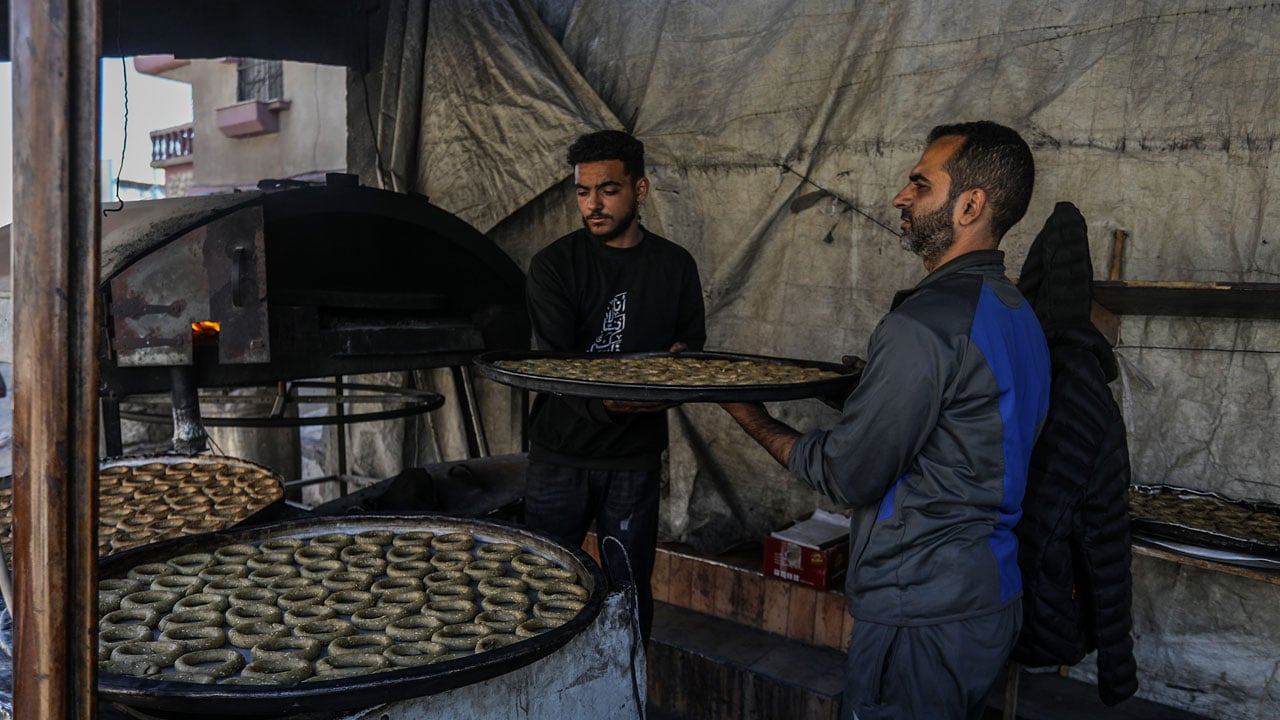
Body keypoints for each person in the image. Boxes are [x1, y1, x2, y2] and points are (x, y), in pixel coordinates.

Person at [722, 121, 1050, 720]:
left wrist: (749, 415)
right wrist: (867, 391)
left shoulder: (923, 324)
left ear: (970, 206)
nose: (900, 196)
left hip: (920, 609)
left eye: (920, 184)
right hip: (988, 596)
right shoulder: (1014, 311)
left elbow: (848, 475)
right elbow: (967, 426)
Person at [522, 129, 706, 642]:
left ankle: (626, 682)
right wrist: (615, 399)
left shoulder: (674, 265)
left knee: (628, 589)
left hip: (633, 459)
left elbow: (691, 347)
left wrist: (680, 365)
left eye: (608, 190)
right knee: (541, 587)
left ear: (639, 190)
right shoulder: (554, 265)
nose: (593, 205)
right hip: (560, 454)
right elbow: (556, 366)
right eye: (583, 192)